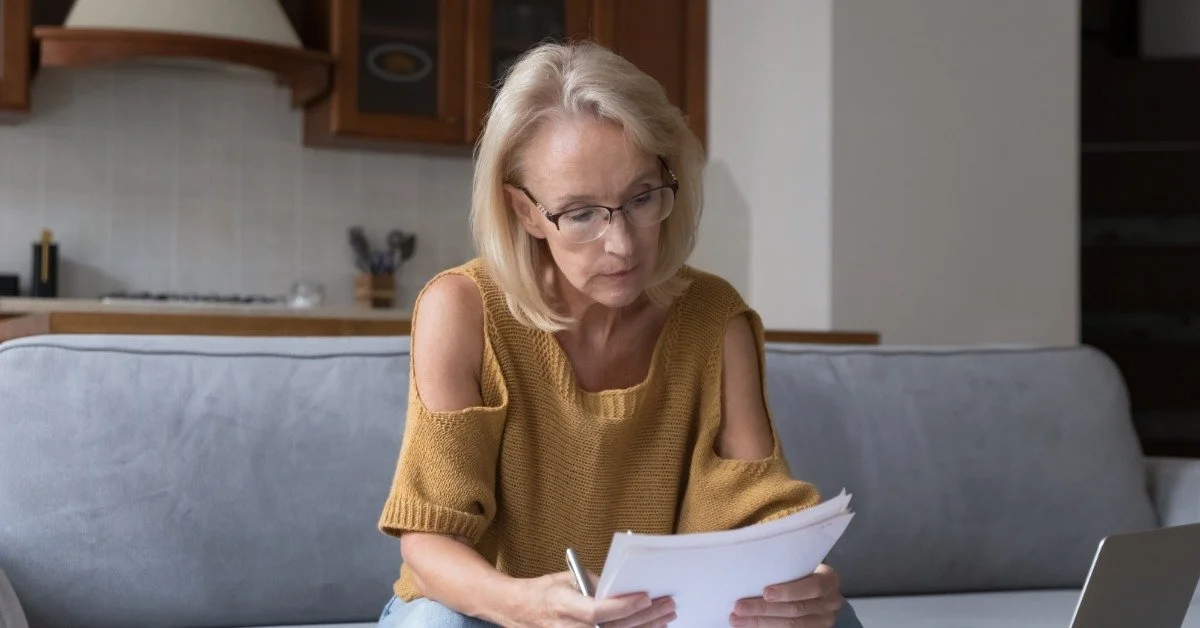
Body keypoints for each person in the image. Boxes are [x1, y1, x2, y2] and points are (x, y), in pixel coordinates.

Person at [374, 40, 863, 628]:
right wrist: (527, 605)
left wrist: (801, 582)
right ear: (525, 211)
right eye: (580, 213)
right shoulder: (461, 309)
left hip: (655, 622)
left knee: (837, 618)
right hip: (491, 615)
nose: (623, 245)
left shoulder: (714, 317)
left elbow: (756, 511)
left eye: (641, 197)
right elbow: (426, 543)